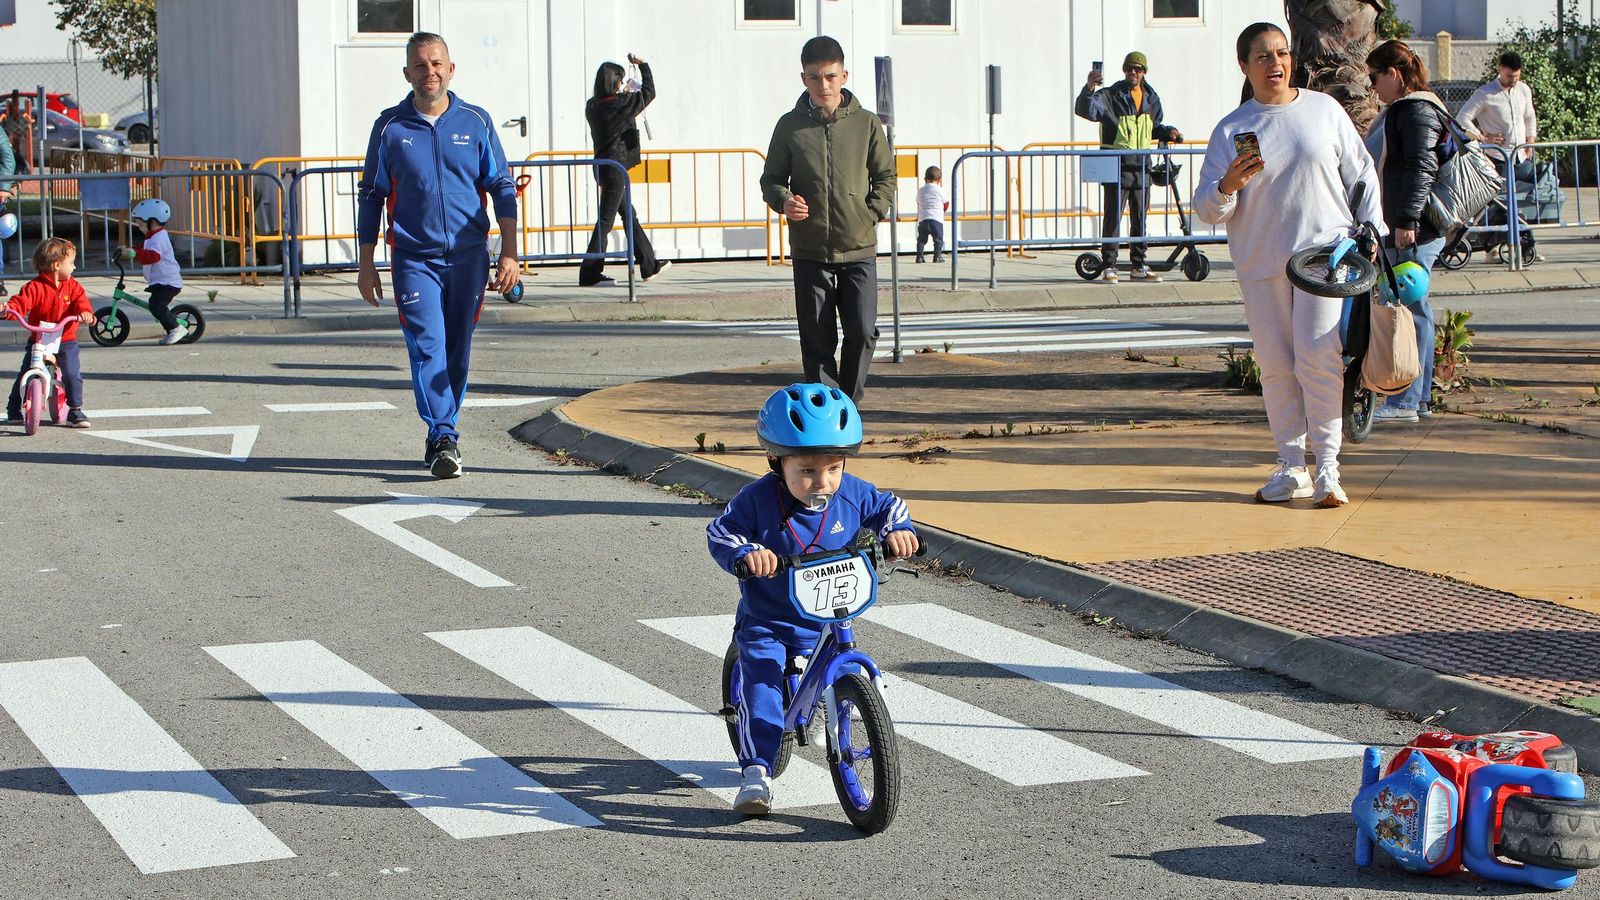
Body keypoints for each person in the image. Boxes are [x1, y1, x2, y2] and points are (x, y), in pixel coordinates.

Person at [1195, 22, 1384, 509]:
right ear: (1244, 66)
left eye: (1281, 53)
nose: (1275, 64)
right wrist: (1226, 186)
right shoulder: (1233, 128)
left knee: (1318, 358)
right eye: (1262, 57)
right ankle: (1290, 466)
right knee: (1277, 367)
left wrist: (1374, 228)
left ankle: (1327, 469)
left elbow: (1361, 173)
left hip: (1325, 258)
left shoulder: (1323, 110)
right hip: (1261, 263)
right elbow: (1208, 209)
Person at [705, 383, 917, 815]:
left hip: (825, 614)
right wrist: (748, 553)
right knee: (762, 685)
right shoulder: (758, 500)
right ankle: (756, 773)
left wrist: (899, 530)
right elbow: (720, 532)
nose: (823, 482)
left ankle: (832, 701)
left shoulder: (851, 492)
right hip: (769, 619)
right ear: (775, 462)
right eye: (806, 471)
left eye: (834, 468)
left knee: (840, 653)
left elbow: (888, 506)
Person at [356, 31, 520, 479]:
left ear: (450, 69)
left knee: (457, 350)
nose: (429, 71)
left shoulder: (476, 121)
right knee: (427, 346)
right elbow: (371, 194)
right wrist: (366, 262)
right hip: (413, 259)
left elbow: (502, 187)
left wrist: (510, 252)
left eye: (436, 63)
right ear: (407, 73)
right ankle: (444, 433)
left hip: (469, 257)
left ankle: (441, 431)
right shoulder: (390, 127)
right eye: (420, 65)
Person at [760, 35, 895, 404]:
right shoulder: (789, 126)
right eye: (815, 77)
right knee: (817, 341)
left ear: (844, 75)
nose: (824, 85)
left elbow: (886, 177)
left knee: (863, 332)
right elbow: (771, 180)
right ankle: (825, 412)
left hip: (858, 248)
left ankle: (848, 405)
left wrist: (870, 213)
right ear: (803, 78)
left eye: (831, 76)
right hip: (810, 249)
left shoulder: (867, 124)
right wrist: (784, 202)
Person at [1364, 40, 1448, 424]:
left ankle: (1407, 401)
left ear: (1393, 75)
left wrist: (1406, 223)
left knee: (1410, 310)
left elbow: (1419, 167)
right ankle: (1417, 398)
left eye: (1374, 77)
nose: (1372, 87)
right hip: (1406, 224)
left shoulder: (1415, 109)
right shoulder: (1406, 109)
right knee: (1412, 308)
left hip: (1412, 228)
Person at [1075, 51, 1184, 283]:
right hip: (1116, 165)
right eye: (1129, 68)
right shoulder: (1111, 95)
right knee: (1113, 218)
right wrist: (1089, 88)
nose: (1133, 72)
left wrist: (1168, 132)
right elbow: (1086, 110)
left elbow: (1153, 127)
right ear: (1124, 71)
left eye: (1138, 69)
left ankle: (1138, 265)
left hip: (1141, 166)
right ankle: (1109, 266)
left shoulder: (1152, 99)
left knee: (1139, 219)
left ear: (1144, 72)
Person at [579, 53, 668, 287]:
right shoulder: (620, 105)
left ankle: (649, 264)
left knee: (629, 215)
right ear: (613, 82)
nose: (621, 84)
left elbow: (615, 108)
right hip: (616, 168)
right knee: (606, 221)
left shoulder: (593, 106)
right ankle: (589, 273)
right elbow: (649, 93)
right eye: (619, 80)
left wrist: (626, 96)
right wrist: (644, 66)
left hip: (602, 166)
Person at [1457, 50, 1540, 261]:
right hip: (1497, 159)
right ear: (1500, 69)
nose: (1513, 81)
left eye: (1517, 76)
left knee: (1516, 204)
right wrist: (1483, 138)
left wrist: (1530, 141)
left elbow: (1529, 116)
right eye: (1509, 76)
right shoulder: (1485, 94)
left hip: (1520, 157)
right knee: (1498, 204)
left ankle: (1520, 245)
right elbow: (1463, 118)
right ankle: (1492, 248)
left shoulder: (1523, 90)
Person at [5, 238, 95, 428]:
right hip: (39, 339)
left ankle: (75, 410)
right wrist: (8, 310)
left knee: (71, 373)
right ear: (56, 265)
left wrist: (85, 313)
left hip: (66, 339)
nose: (74, 267)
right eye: (71, 263)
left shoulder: (73, 287)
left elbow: (82, 303)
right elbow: (20, 303)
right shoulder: (34, 287)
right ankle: (13, 408)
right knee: (25, 373)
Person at [119, 198, 188, 346]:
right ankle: (171, 328)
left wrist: (135, 254)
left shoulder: (159, 238)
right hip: (161, 281)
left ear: (153, 222)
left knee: (156, 305)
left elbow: (153, 256)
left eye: (141, 224)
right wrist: (130, 249)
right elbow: (144, 247)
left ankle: (176, 329)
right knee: (156, 305)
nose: (139, 228)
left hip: (168, 282)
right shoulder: (153, 236)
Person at [915, 166, 947, 264]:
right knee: (938, 239)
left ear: (925, 179)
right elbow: (946, 203)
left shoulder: (921, 190)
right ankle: (937, 256)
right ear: (939, 180)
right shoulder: (940, 190)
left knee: (921, 239)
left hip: (923, 218)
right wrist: (942, 211)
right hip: (936, 219)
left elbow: (918, 201)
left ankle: (919, 256)